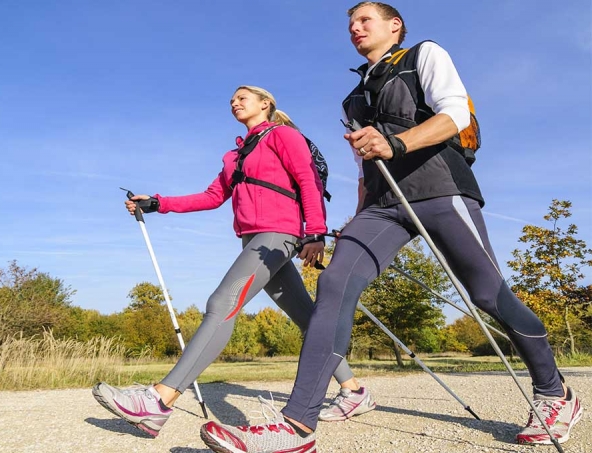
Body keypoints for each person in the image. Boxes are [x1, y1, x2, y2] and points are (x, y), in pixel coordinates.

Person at [199, 3, 583, 452]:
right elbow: (365, 166)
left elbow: (455, 114)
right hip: (383, 206)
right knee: (336, 286)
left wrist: (397, 142)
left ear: (394, 25)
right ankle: (296, 427)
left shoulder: (424, 55)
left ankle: (555, 393)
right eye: (349, 25)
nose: (355, 29)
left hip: (441, 189)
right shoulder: (354, 97)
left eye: (364, 20)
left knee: (486, 295)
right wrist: (357, 214)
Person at [92, 85, 375, 438]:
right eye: (231, 101)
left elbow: (308, 180)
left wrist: (315, 232)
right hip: (253, 241)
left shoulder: (283, 135)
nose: (235, 103)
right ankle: (354, 391)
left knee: (222, 303)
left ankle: (158, 401)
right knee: (306, 316)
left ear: (265, 104)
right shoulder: (235, 156)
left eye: (243, 97)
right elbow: (212, 197)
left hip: (278, 236)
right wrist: (158, 203)